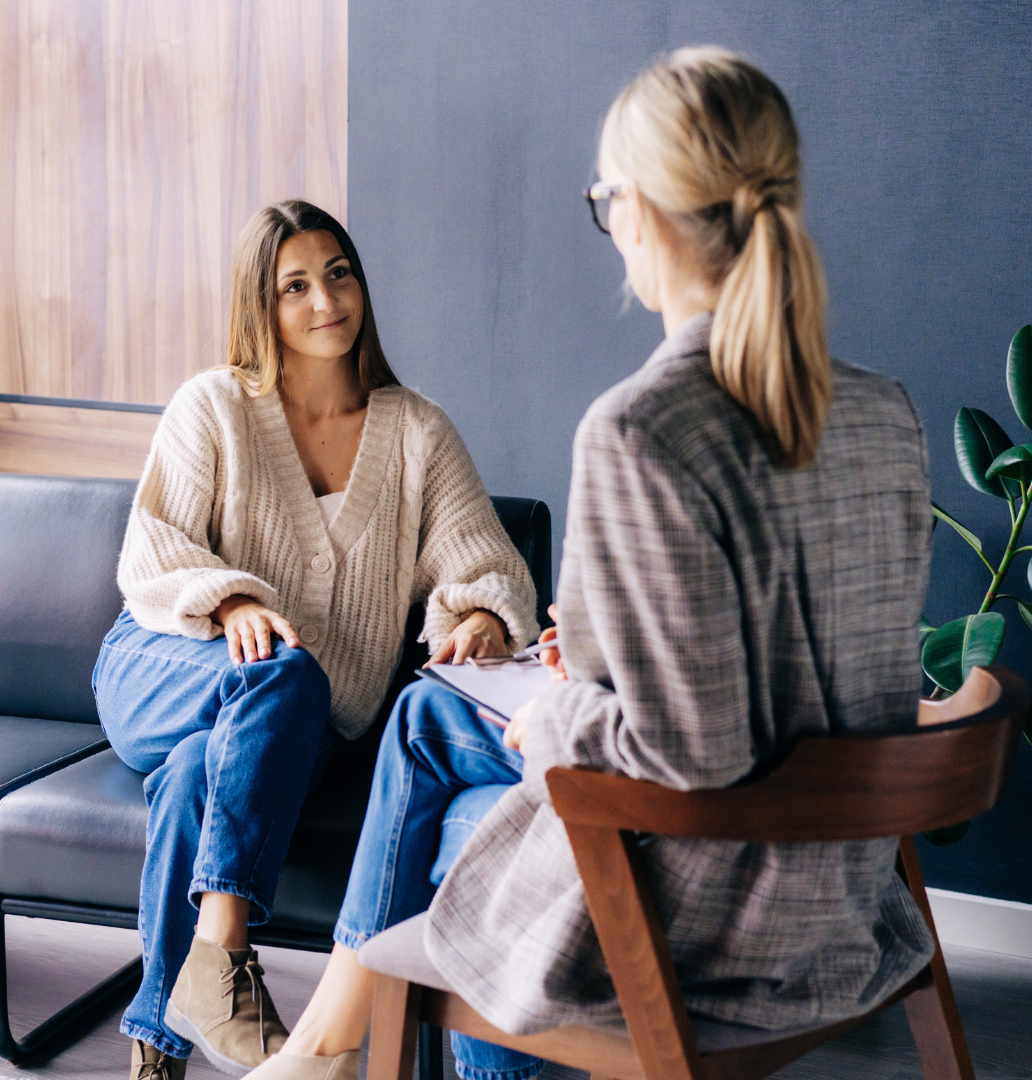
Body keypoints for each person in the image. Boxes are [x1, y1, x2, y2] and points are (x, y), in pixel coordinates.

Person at [244, 47, 935, 1080]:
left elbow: (686, 750)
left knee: (472, 837)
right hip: (840, 895)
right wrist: (597, 663)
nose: (607, 219)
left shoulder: (643, 429)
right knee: (432, 713)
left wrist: (561, 713)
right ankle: (321, 1045)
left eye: (605, 196)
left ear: (645, 214)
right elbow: (798, 669)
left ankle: (330, 1045)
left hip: (717, 912)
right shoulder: (883, 411)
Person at [92, 200, 539, 1080]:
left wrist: (480, 617)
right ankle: (221, 960)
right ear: (262, 304)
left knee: (200, 769)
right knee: (284, 675)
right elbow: (152, 551)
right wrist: (230, 606)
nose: (324, 299)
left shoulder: (417, 431)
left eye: (337, 273)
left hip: (299, 720)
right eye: (293, 284)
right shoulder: (213, 405)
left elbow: (483, 559)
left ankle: (158, 1043)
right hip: (163, 662)